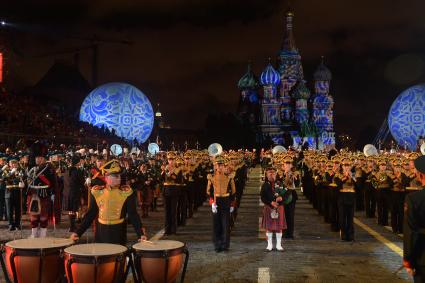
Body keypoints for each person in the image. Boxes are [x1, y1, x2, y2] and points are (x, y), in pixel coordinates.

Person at [70, 159, 147, 245]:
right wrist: (78, 232)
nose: (119, 178)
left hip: (118, 233)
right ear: (107, 177)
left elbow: (133, 215)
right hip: (101, 233)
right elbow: (90, 215)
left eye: (119, 176)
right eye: (115, 176)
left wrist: (141, 234)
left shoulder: (126, 192)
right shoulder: (97, 192)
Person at [206, 155, 236, 252]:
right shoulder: (211, 177)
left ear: (224, 166)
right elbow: (208, 191)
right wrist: (212, 203)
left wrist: (232, 204)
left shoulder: (229, 177)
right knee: (216, 224)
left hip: (226, 200)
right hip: (216, 201)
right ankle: (217, 244)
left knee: (225, 224)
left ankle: (225, 245)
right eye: (217, 165)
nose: (219, 167)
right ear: (214, 166)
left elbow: (234, 192)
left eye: (221, 165)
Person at [403, 155, 425, 282]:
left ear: (420, 175)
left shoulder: (413, 199)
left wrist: (408, 260)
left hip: (422, 257)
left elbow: (410, 232)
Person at [261, 166, 286, 251]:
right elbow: (262, 198)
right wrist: (270, 202)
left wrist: (281, 199)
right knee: (269, 227)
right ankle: (269, 245)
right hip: (269, 207)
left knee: (279, 227)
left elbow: (287, 194)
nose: (271, 174)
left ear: (276, 174)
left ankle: (279, 245)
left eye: (273, 173)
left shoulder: (280, 183)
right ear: (266, 174)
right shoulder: (264, 185)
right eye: (269, 173)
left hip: (279, 207)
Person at [63, 155, 85, 233]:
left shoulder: (67, 170)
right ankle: (72, 226)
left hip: (67, 192)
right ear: (78, 162)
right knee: (73, 209)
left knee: (71, 210)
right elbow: (82, 182)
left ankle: (72, 226)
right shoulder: (77, 171)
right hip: (74, 192)